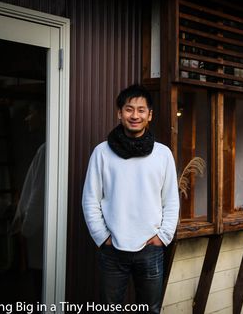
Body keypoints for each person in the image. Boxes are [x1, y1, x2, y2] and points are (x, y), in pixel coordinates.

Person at [82, 84, 179, 313]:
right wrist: (103, 236)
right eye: (129, 109)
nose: (135, 115)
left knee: (149, 310)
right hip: (112, 248)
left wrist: (163, 236)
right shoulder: (102, 152)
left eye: (141, 110)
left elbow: (171, 200)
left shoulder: (163, 154)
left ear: (150, 115)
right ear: (119, 113)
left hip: (151, 249)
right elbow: (90, 199)